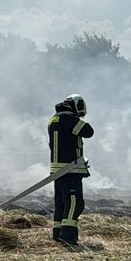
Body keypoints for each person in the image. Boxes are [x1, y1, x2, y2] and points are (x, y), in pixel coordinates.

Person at [47, 94, 94, 247]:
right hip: (70, 169)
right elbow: (88, 131)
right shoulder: (68, 118)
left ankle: (58, 234)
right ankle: (68, 238)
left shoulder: (54, 119)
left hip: (58, 170)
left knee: (61, 204)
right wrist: (77, 119)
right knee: (75, 203)